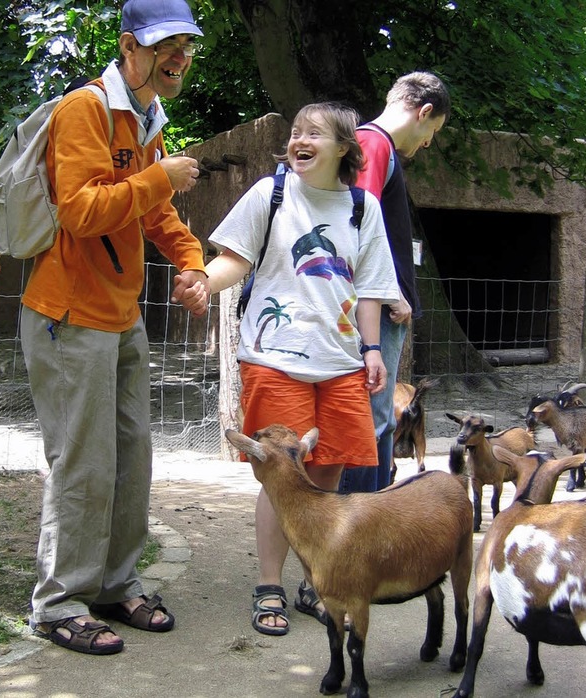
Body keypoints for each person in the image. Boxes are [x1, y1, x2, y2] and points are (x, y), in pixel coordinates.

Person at [20, 0, 209, 655]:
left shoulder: (147, 118)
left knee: (132, 459)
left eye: (188, 44)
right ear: (131, 46)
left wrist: (192, 264)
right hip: (68, 320)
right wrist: (159, 176)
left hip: (122, 318)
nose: (181, 57)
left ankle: (112, 584)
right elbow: (77, 211)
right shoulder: (86, 109)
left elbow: (154, 215)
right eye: (168, 45)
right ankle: (57, 603)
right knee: (84, 465)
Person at [204, 102, 400, 635]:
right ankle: (269, 586)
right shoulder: (270, 193)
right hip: (274, 357)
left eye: (314, 132)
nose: (300, 139)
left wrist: (373, 349)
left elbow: (372, 288)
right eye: (296, 132)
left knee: (328, 472)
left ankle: (315, 583)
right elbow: (236, 257)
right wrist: (203, 281)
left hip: (339, 363)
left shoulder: (363, 208)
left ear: (344, 148)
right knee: (281, 479)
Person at [339, 71, 451, 494]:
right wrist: (392, 294)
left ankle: (371, 510)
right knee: (372, 414)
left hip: (379, 305)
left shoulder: (373, 145)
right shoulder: (374, 143)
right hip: (377, 309)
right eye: (432, 132)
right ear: (424, 112)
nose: (427, 143)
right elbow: (359, 223)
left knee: (379, 415)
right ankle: (361, 519)